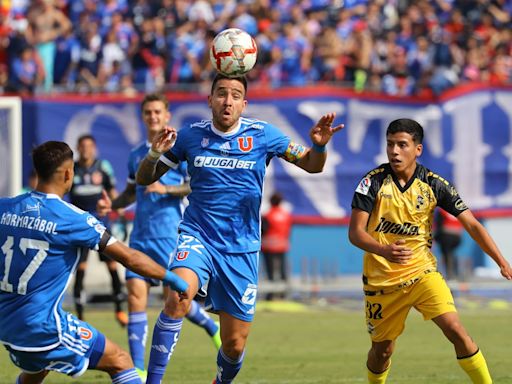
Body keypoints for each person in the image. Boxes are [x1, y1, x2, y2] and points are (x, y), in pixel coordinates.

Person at [135, 73, 344, 383]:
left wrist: (319, 147)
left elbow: (313, 165)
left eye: (235, 95)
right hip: (198, 237)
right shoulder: (189, 137)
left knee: (234, 345)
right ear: (209, 100)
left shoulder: (265, 135)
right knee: (178, 294)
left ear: (244, 104)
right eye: (221, 93)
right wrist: (153, 154)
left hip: (241, 249)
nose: (227, 100)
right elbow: (144, 178)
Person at [0, 140, 188, 384]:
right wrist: (173, 278)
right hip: (42, 326)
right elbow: (129, 258)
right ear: (69, 173)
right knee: (120, 360)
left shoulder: (4, 208)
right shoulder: (74, 219)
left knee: (36, 370)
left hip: (6, 325)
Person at [348, 118, 512, 384]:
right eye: (390, 144)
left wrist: (502, 261)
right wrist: (383, 250)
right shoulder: (372, 182)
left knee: (456, 330)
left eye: (402, 145)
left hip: (422, 273)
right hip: (382, 282)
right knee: (382, 351)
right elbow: (355, 233)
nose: (394, 151)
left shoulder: (434, 184)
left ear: (418, 149)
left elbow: (471, 223)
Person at [96, 93, 221, 381]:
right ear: (143, 117)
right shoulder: (136, 154)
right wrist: (111, 205)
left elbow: (196, 185)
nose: (153, 117)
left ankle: (210, 327)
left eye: (157, 112)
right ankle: (138, 369)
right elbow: (131, 192)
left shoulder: (180, 149)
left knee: (177, 303)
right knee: (135, 297)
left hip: (171, 237)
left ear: (167, 115)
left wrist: (166, 190)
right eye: (148, 113)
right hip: (140, 239)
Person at [69, 134, 127, 327]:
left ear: (94, 148)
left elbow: (112, 191)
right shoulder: (72, 169)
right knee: (81, 269)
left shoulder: (103, 167)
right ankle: (80, 316)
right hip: (80, 225)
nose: (86, 149)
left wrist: (120, 213)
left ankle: (119, 309)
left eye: (89, 146)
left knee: (112, 266)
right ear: (78, 148)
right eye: (82, 146)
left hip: (101, 224)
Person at [261, 192, 292, 300]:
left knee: (270, 272)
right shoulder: (286, 215)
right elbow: (288, 230)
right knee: (282, 270)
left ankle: (270, 295)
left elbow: (263, 231)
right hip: (282, 245)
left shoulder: (267, 215)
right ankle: (283, 295)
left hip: (268, 246)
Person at [434, 207, 464, 280]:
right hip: (457, 236)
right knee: (451, 254)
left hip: (446, 235)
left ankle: (449, 273)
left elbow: (439, 223)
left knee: (446, 254)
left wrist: (436, 236)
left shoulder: (442, 210)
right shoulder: (457, 208)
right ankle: (454, 273)